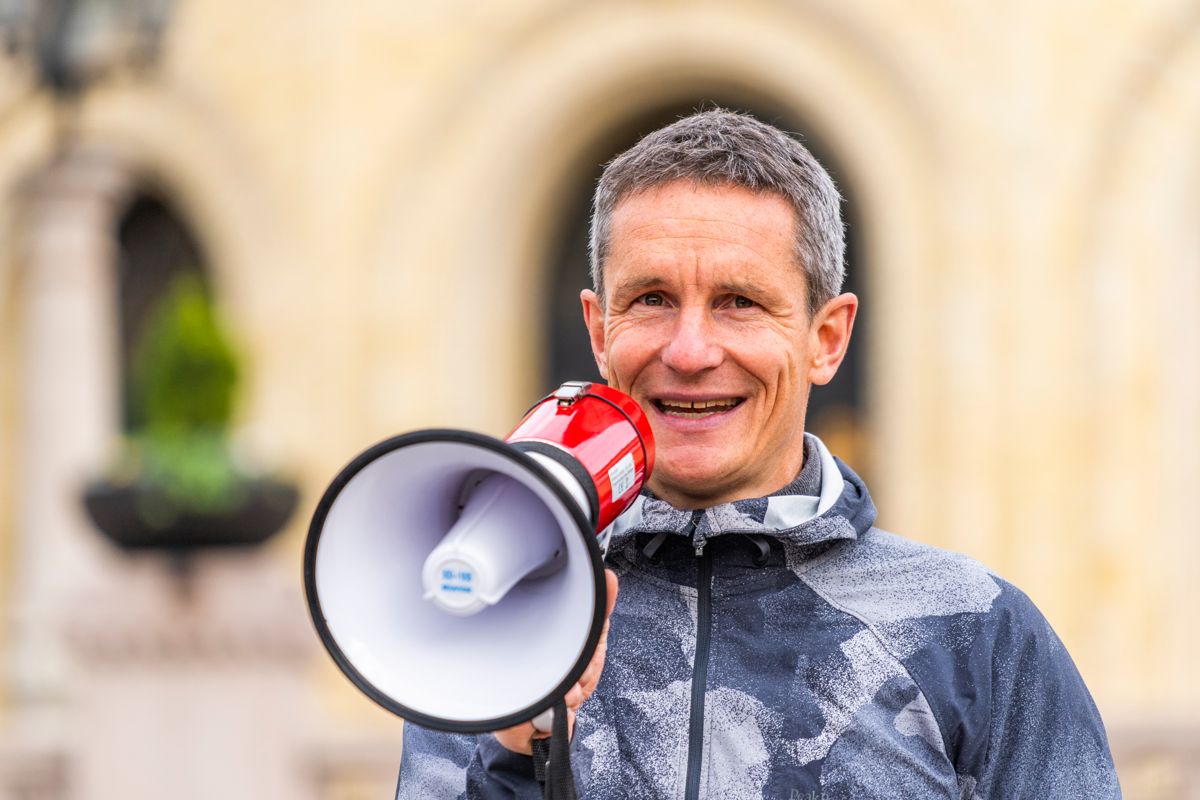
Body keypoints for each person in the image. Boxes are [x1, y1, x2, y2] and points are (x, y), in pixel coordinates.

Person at [396, 109, 1121, 799]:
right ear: (598, 327)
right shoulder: (492, 613)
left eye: (739, 301)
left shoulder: (977, 628)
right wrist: (518, 759)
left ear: (826, 338)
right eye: (650, 298)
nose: (688, 351)